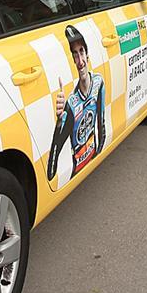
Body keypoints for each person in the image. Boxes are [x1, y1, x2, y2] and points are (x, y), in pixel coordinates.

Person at [46, 25, 107, 182]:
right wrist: (60, 123)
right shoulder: (71, 104)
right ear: (72, 60)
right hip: (77, 170)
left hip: (93, 161)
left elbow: (101, 122)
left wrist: (99, 150)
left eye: (81, 52)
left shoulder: (98, 82)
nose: (80, 61)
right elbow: (52, 163)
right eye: (75, 55)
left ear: (87, 55)